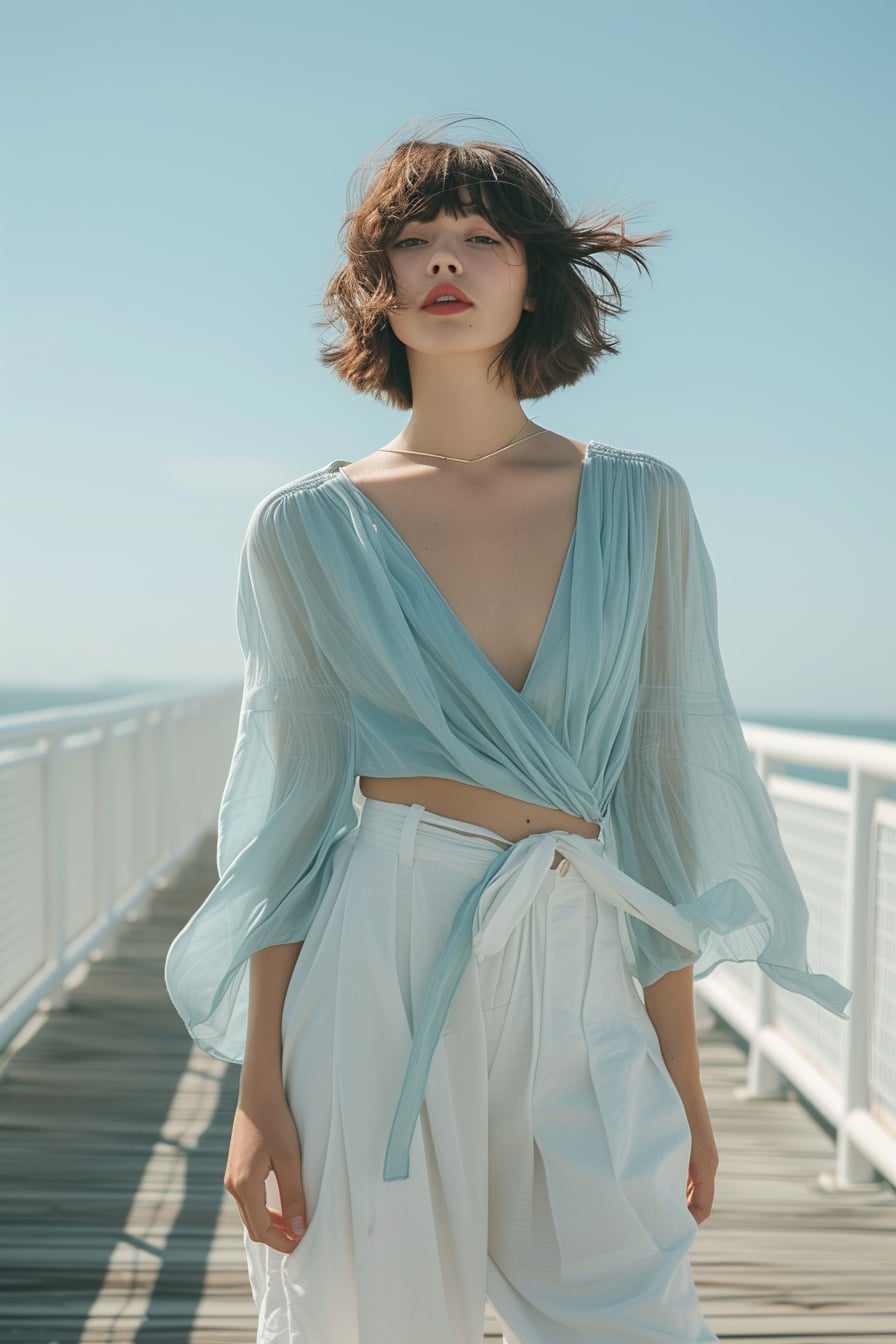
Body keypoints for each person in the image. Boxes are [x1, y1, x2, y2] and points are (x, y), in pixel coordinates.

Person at [165, 131, 851, 1344]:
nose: (445, 262)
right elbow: (281, 820)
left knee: (636, 1322)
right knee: (368, 1325)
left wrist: (680, 1073)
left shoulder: (642, 501)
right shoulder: (306, 529)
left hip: (578, 947)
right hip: (379, 945)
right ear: (374, 285)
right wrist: (257, 1091)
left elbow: (660, 799)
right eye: (411, 242)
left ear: (532, 277)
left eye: (480, 239)